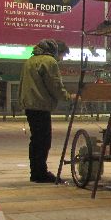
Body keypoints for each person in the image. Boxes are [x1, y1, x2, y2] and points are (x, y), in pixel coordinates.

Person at [19, 39, 72, 183]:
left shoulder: (30, 61)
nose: (61, 59)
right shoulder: (49, 61)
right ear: (56, 51)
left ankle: (35, 172)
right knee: (43, 141)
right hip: (40, 105)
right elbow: (55, 85)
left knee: (36, 140)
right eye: (62, 55)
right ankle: (41, 173)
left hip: (30, 105)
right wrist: (68, 97)